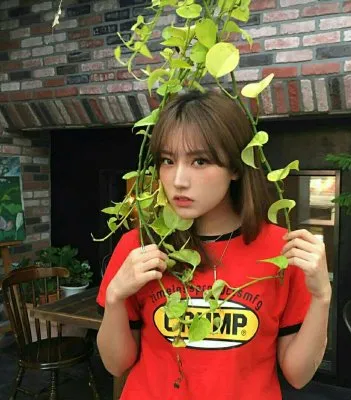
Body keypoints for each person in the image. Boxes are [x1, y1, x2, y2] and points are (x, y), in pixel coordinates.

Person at [96, 91, 331, 400]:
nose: (179, 179)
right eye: (168, 160)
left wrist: (322, 298)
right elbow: (116, 364)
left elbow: (298, 376)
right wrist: (115, 297)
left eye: (200, 161)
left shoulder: (283, 251)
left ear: (235, 167)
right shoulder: (141, 246)